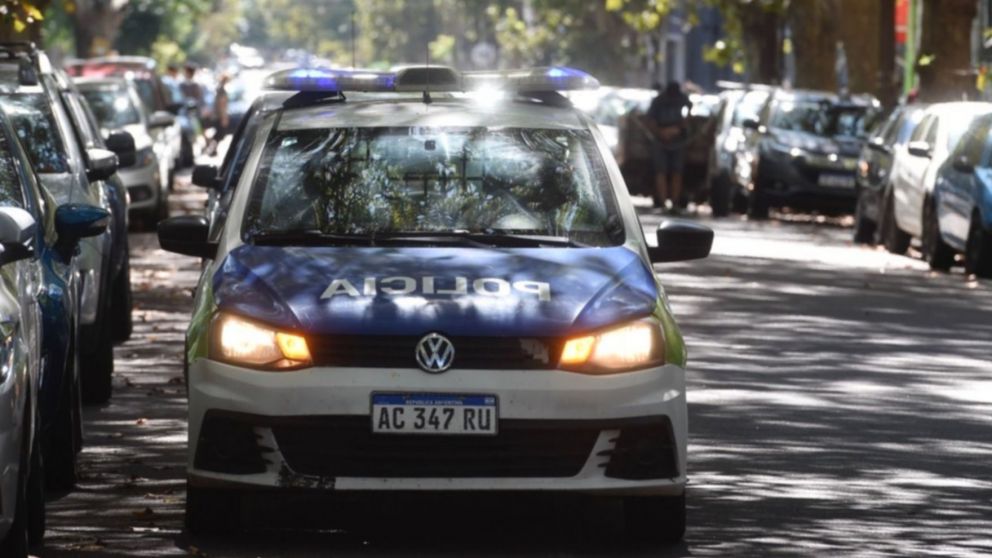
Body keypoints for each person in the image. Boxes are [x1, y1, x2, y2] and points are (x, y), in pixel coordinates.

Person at [645, 81, 692, 212]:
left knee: (677, 172)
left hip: (678, 141)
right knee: (661, 171)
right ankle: (663, 202)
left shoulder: (682, 98)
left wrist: (680, 128)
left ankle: (675, 203)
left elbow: (689, 112)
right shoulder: (658, 101)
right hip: (660, 140)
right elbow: (650, 119)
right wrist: (661, 132)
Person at [206, 73, 230, 156]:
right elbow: (222, 104)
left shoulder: (218, 89)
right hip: (219, 115)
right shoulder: (222, 90)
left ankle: (213, 148)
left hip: (216, 115)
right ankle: (210, 144)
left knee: (219, 133)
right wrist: (224, 117)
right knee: (220, 133)